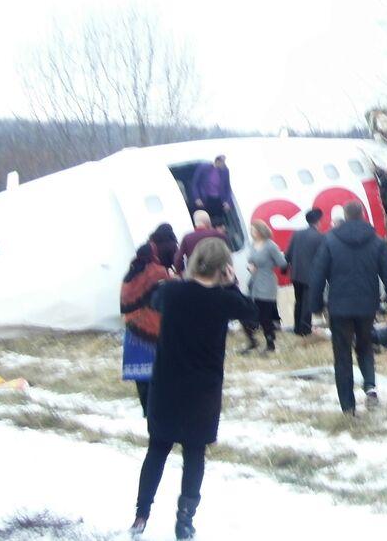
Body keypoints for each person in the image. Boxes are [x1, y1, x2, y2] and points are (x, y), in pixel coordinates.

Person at [133, 237, 255, 539]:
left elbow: (153, 299)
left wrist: (182, 277)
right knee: (194, 454)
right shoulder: (225, 300)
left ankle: (141, 516)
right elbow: (251, 313)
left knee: (157, 450)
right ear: (223, 267)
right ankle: (185, 521)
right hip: (203, 389)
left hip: (166, 385)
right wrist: (231, 284)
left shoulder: (171, 292)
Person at [308, 202, 387, 415]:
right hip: (367, 305)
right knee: (365, 346)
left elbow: (317, 274)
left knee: (342, 355)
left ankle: (348, 407)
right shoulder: (376, 242)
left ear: (345, 217)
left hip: (339, 307)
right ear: (362, 216)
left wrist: (315, 307)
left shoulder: (330, 240)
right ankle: (370, 387)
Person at [121, 223, 179, 416]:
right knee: (159, 373)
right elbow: (166, 298)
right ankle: (159, 410)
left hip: (133, 329)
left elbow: (126, 301)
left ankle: (147, 410)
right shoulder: (158, 272)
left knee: (141, 375)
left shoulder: (133, 270)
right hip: (153, 328)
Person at [242, 220, 287, 352]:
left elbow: (282, 262)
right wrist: (250, 267)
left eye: (254, 230)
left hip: (267, 281)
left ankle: (270, 343)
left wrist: (268, 265)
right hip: (254, 281)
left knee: (265, 314)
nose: (252, 233)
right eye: (251, 230)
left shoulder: (270, 246)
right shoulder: (252, 245)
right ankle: (252, 341)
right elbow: (250, 260)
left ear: (261, 231)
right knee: (247, 311)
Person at [286, 209, 325, 335]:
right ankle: (304, 330)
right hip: (310, 276)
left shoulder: (297, 234)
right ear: (318, 221)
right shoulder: (320, 237)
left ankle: (297, 327)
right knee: (307, 304)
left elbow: (288, 254)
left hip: (296, 274)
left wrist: (284, 268)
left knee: (299, 302)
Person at [173, 210, 225, 274]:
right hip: (216, 273)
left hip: (196, 275)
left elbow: (178, 259)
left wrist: (180, 272)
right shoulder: (217, 234)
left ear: (195, 223)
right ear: (208, 221)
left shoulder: (187, 238)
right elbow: (226, 254)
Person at [190, 155, 235, 227]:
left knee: (217, 221)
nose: (223, 164)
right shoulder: (204, 168)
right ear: (217, 161)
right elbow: (195, 184)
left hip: (218, 200)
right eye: (222, 162)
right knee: (205, 220)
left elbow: (227, 187)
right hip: (205, 199)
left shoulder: (225, 171)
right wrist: (197, 198)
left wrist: (228, 202)